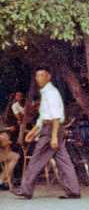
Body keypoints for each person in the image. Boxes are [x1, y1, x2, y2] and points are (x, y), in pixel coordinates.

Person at [12, 67, 81, 200]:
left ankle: (26, 189)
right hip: (50, 128)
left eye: (42, 75)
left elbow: (56, 117)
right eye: (37, 76)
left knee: (36, 159)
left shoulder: (51, 93)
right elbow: (43, 117)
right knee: (63, 160)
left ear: (49, 76)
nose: (39, 78)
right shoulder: (46, 92)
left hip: (51, 129)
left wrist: (54, 136)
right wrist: (34, 131)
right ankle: (73, 190)